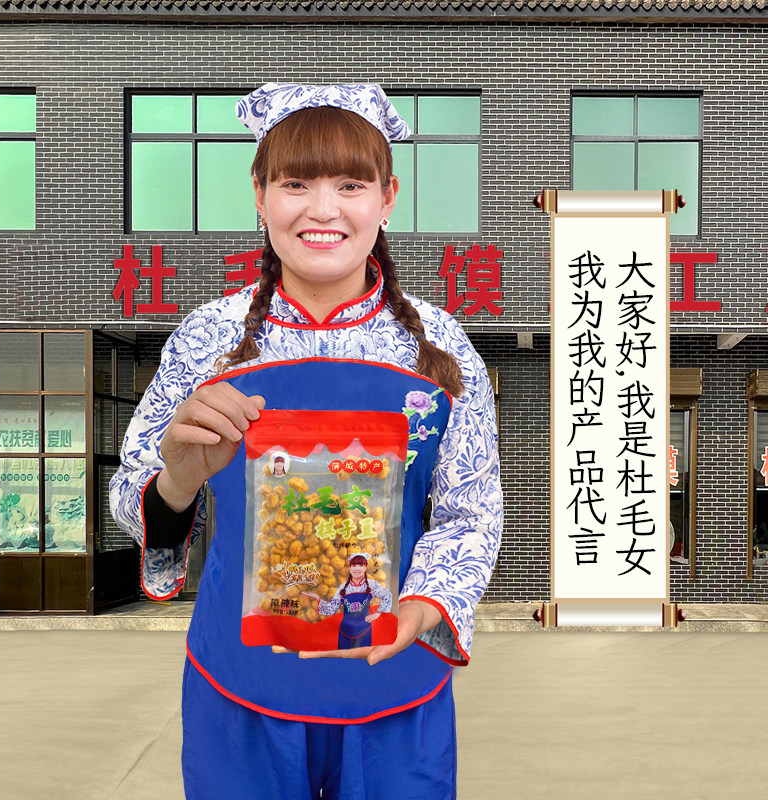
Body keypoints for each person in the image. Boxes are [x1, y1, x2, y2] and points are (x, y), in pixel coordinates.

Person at [110, 82, 502, 800]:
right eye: (296, 184)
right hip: (241, 685)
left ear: (387, 198)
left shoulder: (441, 347)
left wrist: (425, 607)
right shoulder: (205, 339)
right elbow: (133, 491)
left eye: (350, 185)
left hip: (394, 683)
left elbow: (469, 514)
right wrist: (178, 478)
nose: (323, 209)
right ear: (260, 195)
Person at [305, 553, 392, 649]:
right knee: (342, 654)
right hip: (345, 630)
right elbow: (332, 608)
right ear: (349, 568)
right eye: (354, 566)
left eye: (360, 565)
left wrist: (378, 613)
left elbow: (387, 595)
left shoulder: (371, 584)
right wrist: (318, 598)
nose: (357, 569)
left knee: (364, 653)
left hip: (365, 629)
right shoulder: (343, 587)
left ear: (366, 568)